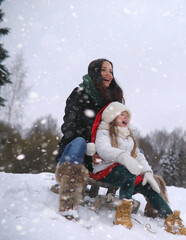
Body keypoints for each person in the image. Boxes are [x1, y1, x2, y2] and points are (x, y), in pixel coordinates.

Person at [91, 101, 186, 236]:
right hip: (105, 170)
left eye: (127, 115)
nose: (125, 118)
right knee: (129, 171)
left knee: (148, 186)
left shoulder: (128, 136)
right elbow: (104, 150)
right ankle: (123, 214)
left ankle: (171, 221)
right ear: (112, 116)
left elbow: (138, 156)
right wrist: (124, 157)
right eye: (121, 114)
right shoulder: (104, 131)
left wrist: (147, 172)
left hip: (125, 172)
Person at [55, 58, 124, 220]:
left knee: (133, 149)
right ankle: (68, 205)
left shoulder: (112, 101)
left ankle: (158, 206)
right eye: (104, 70)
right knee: (79, 142)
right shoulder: (79, 93)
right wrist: (90, 146)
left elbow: (116, 130)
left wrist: (105, 148)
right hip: (76, 152)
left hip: (99, 157)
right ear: (95, 72)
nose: (109, 74)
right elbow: (69, 128)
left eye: (111, 71)